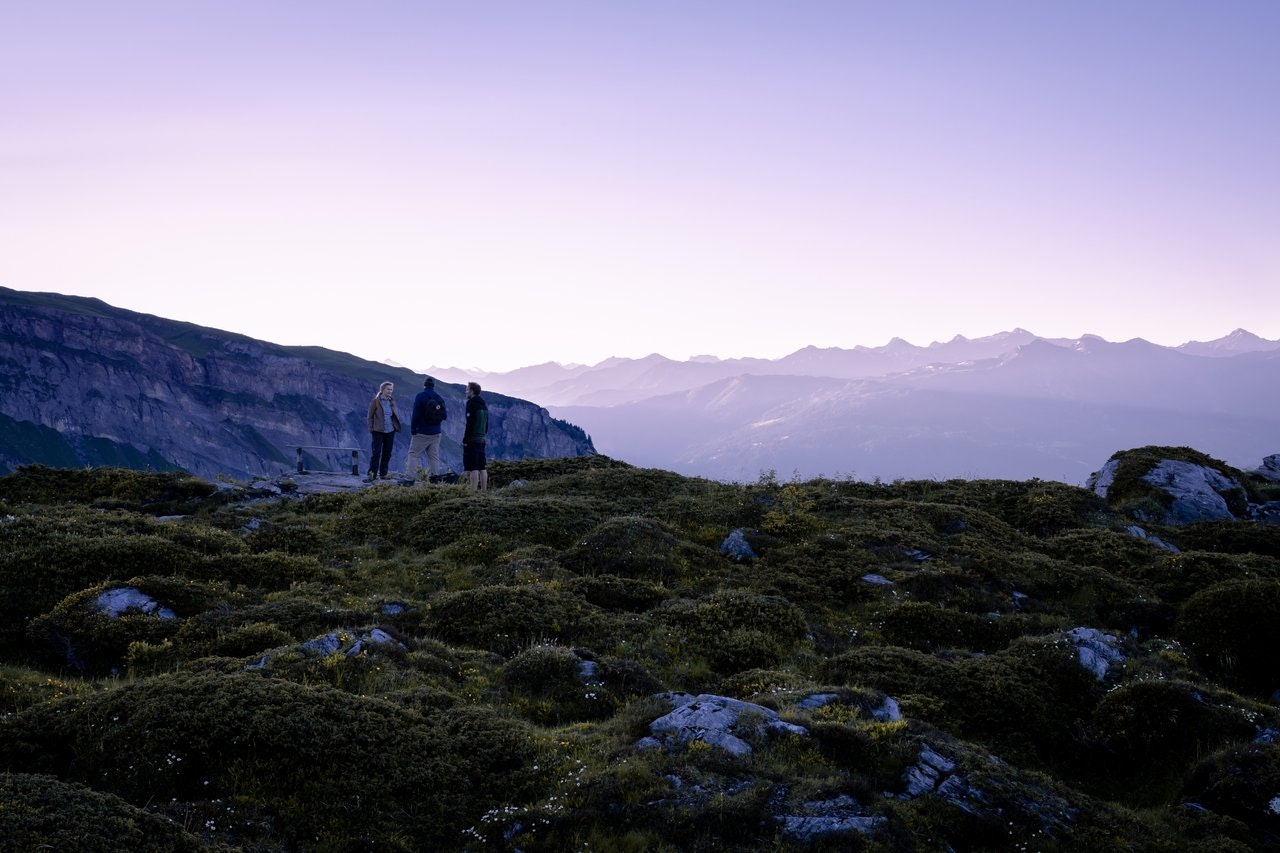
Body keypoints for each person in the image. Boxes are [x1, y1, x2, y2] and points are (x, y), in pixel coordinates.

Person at [406, 376, 447, 478]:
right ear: (434, 386)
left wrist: (413, 429)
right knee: (433, 457)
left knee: (414, 454)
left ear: (424, 385)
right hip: (436, 433)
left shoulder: (420, 396)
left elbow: (415, 414)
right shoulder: (439, 398)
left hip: (422, 432)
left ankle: (409, 478)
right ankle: (435, 479)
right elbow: (445, 416)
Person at [366, 381, 401, 480]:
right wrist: (371, 429)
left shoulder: (392, 401)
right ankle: (372, 475)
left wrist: (395, 426)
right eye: (388, 389)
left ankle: (383, 474)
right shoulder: (375, 401)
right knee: (376, 453)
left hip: (390, 431)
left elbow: (394, 415)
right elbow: (370, 416)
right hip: (378, 431)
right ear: (382, 390)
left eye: (391, 389)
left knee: (387, 453)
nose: (390, 391)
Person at [462, 381, 489, 490]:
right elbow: (487, 423)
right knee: (482, 467)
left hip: (473, 439)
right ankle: (484, 491)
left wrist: (465, 439)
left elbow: (470, 423)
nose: (466, 391)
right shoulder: (483, 404)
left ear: (472, 391)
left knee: (473, 467)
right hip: (482, 439)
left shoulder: (471, 403)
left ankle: (473, 493)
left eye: (467, 389)